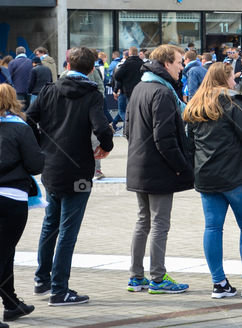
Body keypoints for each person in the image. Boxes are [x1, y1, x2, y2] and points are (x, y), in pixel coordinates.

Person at [26, 46, 113, 306]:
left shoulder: (48, 90)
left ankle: (42, 279)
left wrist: (42, 143)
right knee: (67, 230)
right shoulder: (92, 94)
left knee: (50, 223)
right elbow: (101, 127)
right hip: (79, 169)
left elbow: (29, 119)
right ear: (91, 69)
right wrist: (105, 147)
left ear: (66, 64)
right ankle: (60, 289)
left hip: (51, 166)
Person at [183, 62, 242, 299]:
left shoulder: (195, 106)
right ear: (224, 80)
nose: (235, 82)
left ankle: (219, 284)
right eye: (232, 78)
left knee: (212, 227)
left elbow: (188, 146)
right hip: (237, 175)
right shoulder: (233, 104)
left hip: (207, 177)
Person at [125, 44, 193, 294]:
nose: (182, 67)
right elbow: (164, 138)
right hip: (158, 169)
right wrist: (181, 167)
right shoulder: (162, 93)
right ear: (166, 64)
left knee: (143, 221)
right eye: (178, 62)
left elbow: (127, 130)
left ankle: (136, 276)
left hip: (138, 165)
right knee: (159, 223)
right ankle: (157, 277)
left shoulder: (140, 87)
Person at [0, 84, 42, 323]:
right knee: (4, 253)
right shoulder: (20, 127)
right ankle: (10, 302)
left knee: (6, 252)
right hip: (12, 197)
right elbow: (36, 165)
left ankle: (11, 302)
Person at [111, 47, 144, 132]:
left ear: (129, 53)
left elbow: (117, 75)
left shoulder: (127, 63)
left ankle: (128, 127)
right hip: (140, 90)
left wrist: (122, 81)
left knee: (124, 110)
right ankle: (131, 128)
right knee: (135, 110)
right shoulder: (142, 63)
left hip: (128, 90)